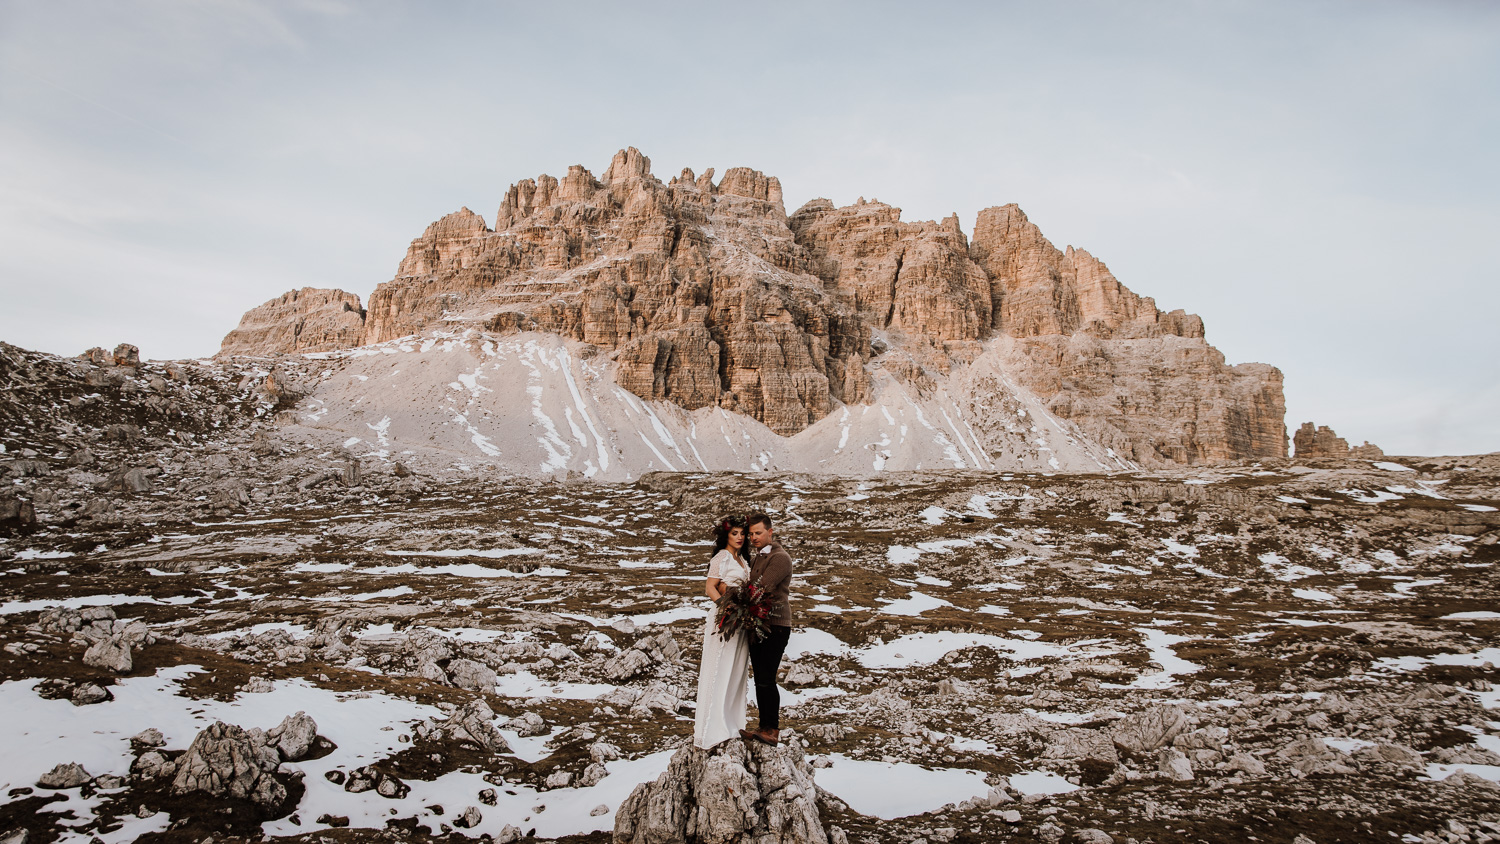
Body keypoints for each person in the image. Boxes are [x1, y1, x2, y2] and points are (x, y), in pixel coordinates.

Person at [692, 514, 752, 749]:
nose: (739, 537)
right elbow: (710, 588)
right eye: (734, 533)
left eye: (742, 533)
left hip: (741, 622)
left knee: (736, 670)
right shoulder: (721, 558)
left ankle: (731, 723)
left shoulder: (742, 560)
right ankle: (713, 728)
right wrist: (727, 609)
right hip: (725, 620)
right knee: (720, 666)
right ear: (726, 535)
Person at [741, 511, 793, 746]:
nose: (753, 537)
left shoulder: (780, 558)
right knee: (760, 678)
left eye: (758, 533)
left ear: (770, 532)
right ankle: (764, 726)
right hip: (759, 624)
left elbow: (761, 587)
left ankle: (772, 729)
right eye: (751, 534)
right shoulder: (756, 558)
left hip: (776, 625)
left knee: (767, 678)